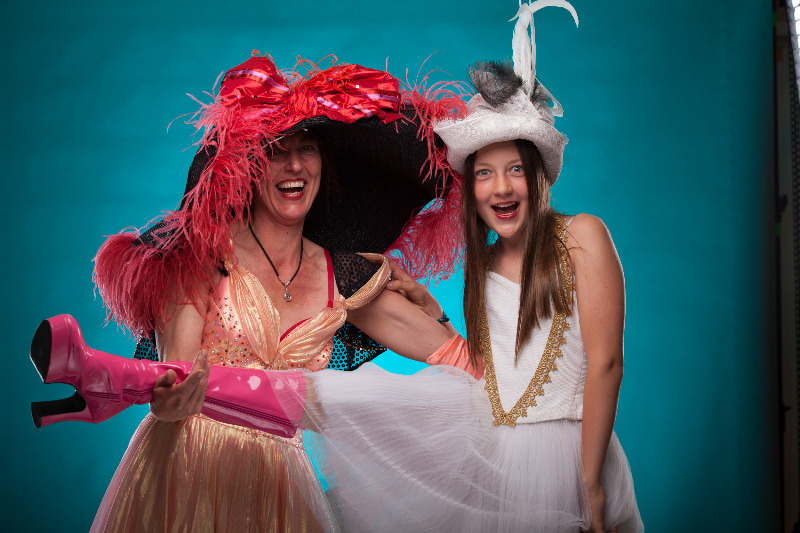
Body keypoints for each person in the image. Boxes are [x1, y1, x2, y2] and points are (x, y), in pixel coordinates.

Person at [30, 53, 462, 532]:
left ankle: (99, 380)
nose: (294, 164)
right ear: (249, 165)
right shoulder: (201, 255)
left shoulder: (346, 277)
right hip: (187, 477)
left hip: (280, 489)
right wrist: (167, 400)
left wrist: (438, 313)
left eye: (308, 147)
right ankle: (99, 376)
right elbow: (174, 378)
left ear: (324, 164)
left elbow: (462, 360)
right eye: (276, 148)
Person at [285, 2, 644, 532]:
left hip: (570, 451)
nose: (501, 187)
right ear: (471, 189)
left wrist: (590, 482)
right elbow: (493, 372)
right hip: (500, 457)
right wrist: (437, 315)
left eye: (515, 169)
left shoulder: (580, 236)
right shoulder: (488, 262)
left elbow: (607, 362)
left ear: (538, 176)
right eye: (484, 174)